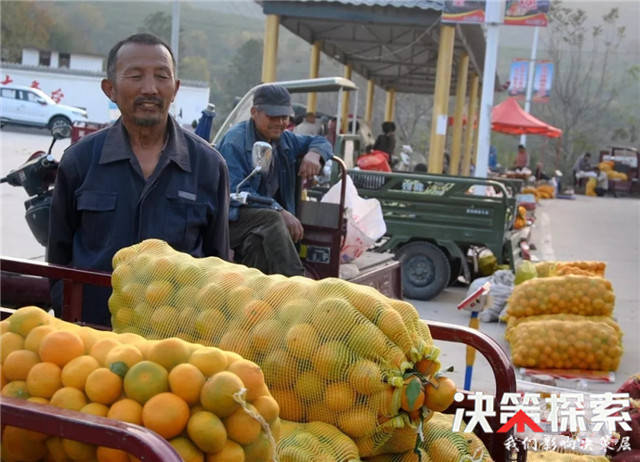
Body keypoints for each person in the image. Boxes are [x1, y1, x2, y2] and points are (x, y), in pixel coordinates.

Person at [47, 33, 230, 326]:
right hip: (91, 336)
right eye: (135, 76)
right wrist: (68, 310)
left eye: (162, 76)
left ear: (176, 88)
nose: (150, 88)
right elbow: (58, 253)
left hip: (176, 341)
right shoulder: (79, 161)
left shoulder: (208, 166)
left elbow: (218, 261)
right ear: (110, 89)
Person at [217, 84, 333, 276]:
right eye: (273, 116)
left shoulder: (284, 140)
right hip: (231, 220)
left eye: (285, 117)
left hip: (259, 227)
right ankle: (297, 284)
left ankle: (260, 298)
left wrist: (315, 154)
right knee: (272, 219)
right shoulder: (234, 142)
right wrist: (278, 209)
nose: (280, 123)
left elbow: (321, 141)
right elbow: (235, 194)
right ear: (254, 112)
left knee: (255, 245)